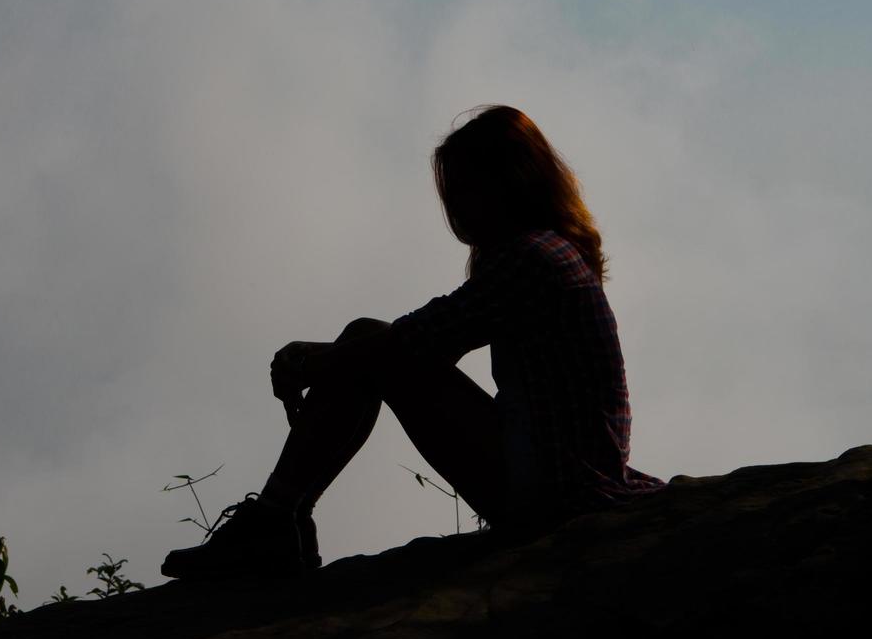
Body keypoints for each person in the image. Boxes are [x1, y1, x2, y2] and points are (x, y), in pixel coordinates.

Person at [161, 104, 665, 580]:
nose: (456, 204)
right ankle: (278, 522)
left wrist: (318, 363)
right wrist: (329, 359)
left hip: (557, 493)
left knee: (370, 344)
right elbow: (424, 343)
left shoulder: (534, 259)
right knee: (368, 346)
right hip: (557, 480)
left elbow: (417, 341)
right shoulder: (547, 253)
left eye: (466, 187)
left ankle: (276, 523)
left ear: (508, 183)